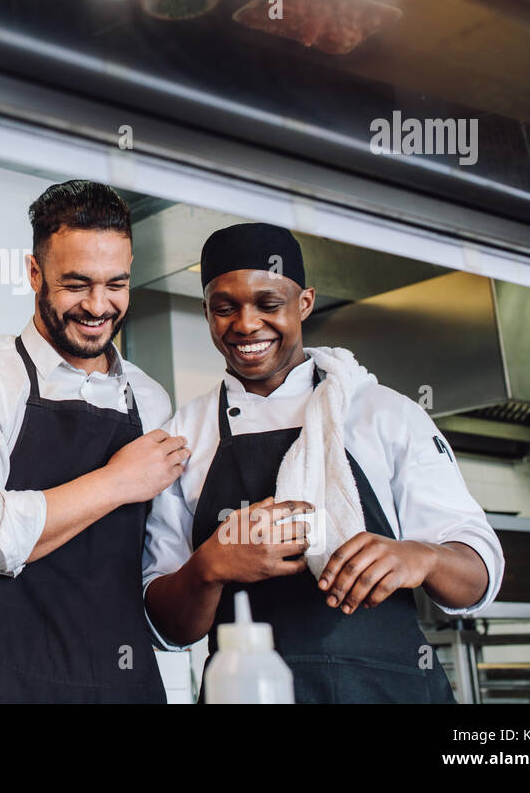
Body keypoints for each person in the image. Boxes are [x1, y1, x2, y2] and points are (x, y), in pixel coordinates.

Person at [143, 222, 504, 703]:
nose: (246, 324)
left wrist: (424, 555)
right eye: (225, 308)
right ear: (206, 311)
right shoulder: (184, 437)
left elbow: (477, 576)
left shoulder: (382, 413)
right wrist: (209, 566)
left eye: (269, 304)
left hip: (392, 690)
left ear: (305, 303)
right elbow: (166, 626)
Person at [0, 180, 189, 703]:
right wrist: (117, 482)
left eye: (117, 284)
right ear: (34, 272)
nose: (98, 305)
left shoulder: (150, 401)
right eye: (76, 284)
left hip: (118, 685)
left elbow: (155, 571)